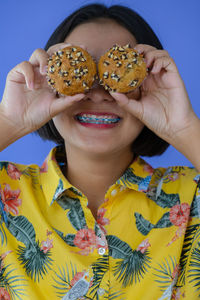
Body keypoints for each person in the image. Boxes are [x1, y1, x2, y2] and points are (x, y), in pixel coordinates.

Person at [0, 3, 200, 300]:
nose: (98, 92)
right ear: (49, 80)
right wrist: (8, 120)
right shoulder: (6, 193)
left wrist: (183, 127)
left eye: (116, 72)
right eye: (83, 69)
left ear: (147, 83)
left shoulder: (189, 195)